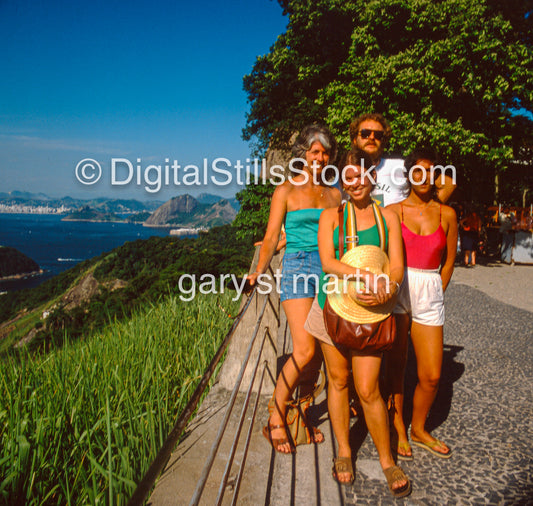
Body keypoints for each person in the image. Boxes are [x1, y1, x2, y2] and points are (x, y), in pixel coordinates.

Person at [303, 152, 411, 497]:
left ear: (371, 177)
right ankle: (345, 451)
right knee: (337, 380)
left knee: (367, 388)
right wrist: (364, 274)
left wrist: (389, 289)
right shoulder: (330, 217)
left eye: (360, 174)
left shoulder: (388, 218)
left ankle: (386, 458)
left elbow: (396, 266)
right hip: (331, 307)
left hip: (371, 311)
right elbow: (328, 262)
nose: (354, 181)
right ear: (342, 181)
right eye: (347, 176)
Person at [248, 124, 341, 453]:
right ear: (303, 154)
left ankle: (300, 416)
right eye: (314, 151)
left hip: (329, 269)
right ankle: (276, 413)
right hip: (299, 267)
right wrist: (258, 270)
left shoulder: (334, 193)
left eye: (325, 152)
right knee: (304, 350)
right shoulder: (286, 190)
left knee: (317, 357)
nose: (320, 157)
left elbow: (340, 234)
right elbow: (273, 236)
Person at [387, 147, 458, 460]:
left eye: (430, 171)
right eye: (417, 171)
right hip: (399, 288)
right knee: (397, 366)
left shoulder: (447, 214)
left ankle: (419, 428)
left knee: (430, 374)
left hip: (429, 288)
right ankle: (399, 427)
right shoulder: (392, 211)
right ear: (408, 175)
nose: (424, 177)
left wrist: (436, 291)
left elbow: (449, 262)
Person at [349, 113, 456, 207]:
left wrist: (427, 212)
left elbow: (448, 184)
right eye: (365, 133)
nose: (372, 138)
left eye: (378, 135)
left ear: (384, 141)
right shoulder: (342, 174)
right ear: (354, 139)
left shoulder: (399, 166)